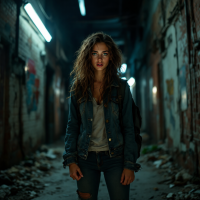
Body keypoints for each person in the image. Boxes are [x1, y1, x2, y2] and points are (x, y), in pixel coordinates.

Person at [63, 32, 140, 200]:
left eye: (104, 53)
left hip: (116, 158)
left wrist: (129, 164)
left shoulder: (121, 87)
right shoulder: (78, 87)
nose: (100, 59)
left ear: (110, 56)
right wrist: (71, 160)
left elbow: (129, 128)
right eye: (94, 54)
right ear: (87, 57)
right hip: (85, 158)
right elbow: (72, 126)